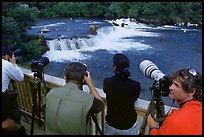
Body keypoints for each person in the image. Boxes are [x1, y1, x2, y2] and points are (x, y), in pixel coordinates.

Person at [45, 62, 104, 135]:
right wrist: (90, 83)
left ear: (65, 78)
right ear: (83, 80)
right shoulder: (87, 100)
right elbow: (101, 105)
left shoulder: (51, 93)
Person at [148, 68, 202, 135]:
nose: (170, 87)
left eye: (176, 85)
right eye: (172, 83)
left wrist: (153, 128)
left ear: (191, 92)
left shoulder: (174, 121)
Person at [103, 53, 141, 135]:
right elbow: (134, 98)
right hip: (127, 125)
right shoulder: (135, 85)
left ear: (114, 67)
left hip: (111, 123)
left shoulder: (107, 82)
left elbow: (107, 91)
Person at [2, 45, 26, 135]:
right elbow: (20, 78)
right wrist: (14, 64)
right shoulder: (6, 64)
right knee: (13, 116)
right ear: (7, 56)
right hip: (3, 100)